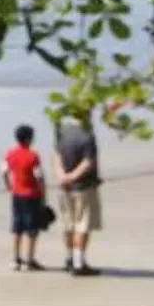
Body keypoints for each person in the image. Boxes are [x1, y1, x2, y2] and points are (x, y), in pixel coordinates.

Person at [56, 112, 103, 275]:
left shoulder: (62, 130)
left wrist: (61, 175)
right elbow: (88, 162)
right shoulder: (88, 135)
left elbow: (56, 155)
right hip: (83, 186)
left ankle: (69, 258)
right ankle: (78, 263)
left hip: (64, 187)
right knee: (82, 225)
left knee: (68, 223)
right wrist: (72, 176)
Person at [3, 124, 49, 270]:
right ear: (29, 138)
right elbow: (39, 177)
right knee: (32, 228)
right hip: (32, 195)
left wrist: (9, 186)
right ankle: (29, 260)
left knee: (17, 226)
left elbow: (4, 172)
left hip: (16, 194)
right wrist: (43, 194)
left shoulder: (10, 154)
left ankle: (16, 259)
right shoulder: (33, 156)